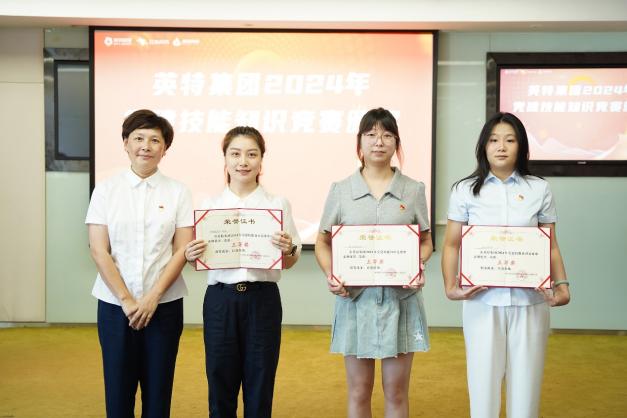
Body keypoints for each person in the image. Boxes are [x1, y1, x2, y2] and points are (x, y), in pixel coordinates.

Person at [441, 112, 571, 418]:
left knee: (526, 386)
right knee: (482, 385)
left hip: (530, 301)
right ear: (483, 146)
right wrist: (450, 286)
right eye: (494, 140)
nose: (501, 147)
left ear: (521, 146)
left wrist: (562, 285)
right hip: (481, 301)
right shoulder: (464, 190)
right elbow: (451, 244)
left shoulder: (539, 188)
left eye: (510, 140)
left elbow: (550, 244)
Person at [314, 107, 433, 418]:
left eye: (387, 135)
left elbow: (426, 241)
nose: (379, 141)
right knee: (358, 391)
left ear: (396, 143)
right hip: (355, 301)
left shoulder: (413, 189)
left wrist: (417, 264)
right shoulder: (341, 190)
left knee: (396, 391)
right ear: (360, 142)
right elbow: (323, 242)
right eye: (371, 134)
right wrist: (331, 273)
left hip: (401, 300)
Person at [184, 126, 301, 418]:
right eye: (235, 154)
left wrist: (287, 249)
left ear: (262, 160)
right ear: (225, 159)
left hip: (263, 299)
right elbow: (198, 262)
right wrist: (191, 256)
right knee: (219, 381)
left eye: (252, 154)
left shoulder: (277, 204)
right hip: (220, 301)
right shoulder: (210, 206)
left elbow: (290, 260)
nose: (243, 162)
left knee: (260, 382)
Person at [86, 109, 193, 418]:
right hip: (114, 306)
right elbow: (99, 250)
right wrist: (127, 300)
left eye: (155, 140)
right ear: (125, 143)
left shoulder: (178, 192)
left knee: (158, 393)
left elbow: (182, 250)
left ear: (165, 148)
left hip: (164, 306)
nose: (146, 146)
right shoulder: (106, 190)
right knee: (118, 393)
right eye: (138, 138)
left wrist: (152, 298)